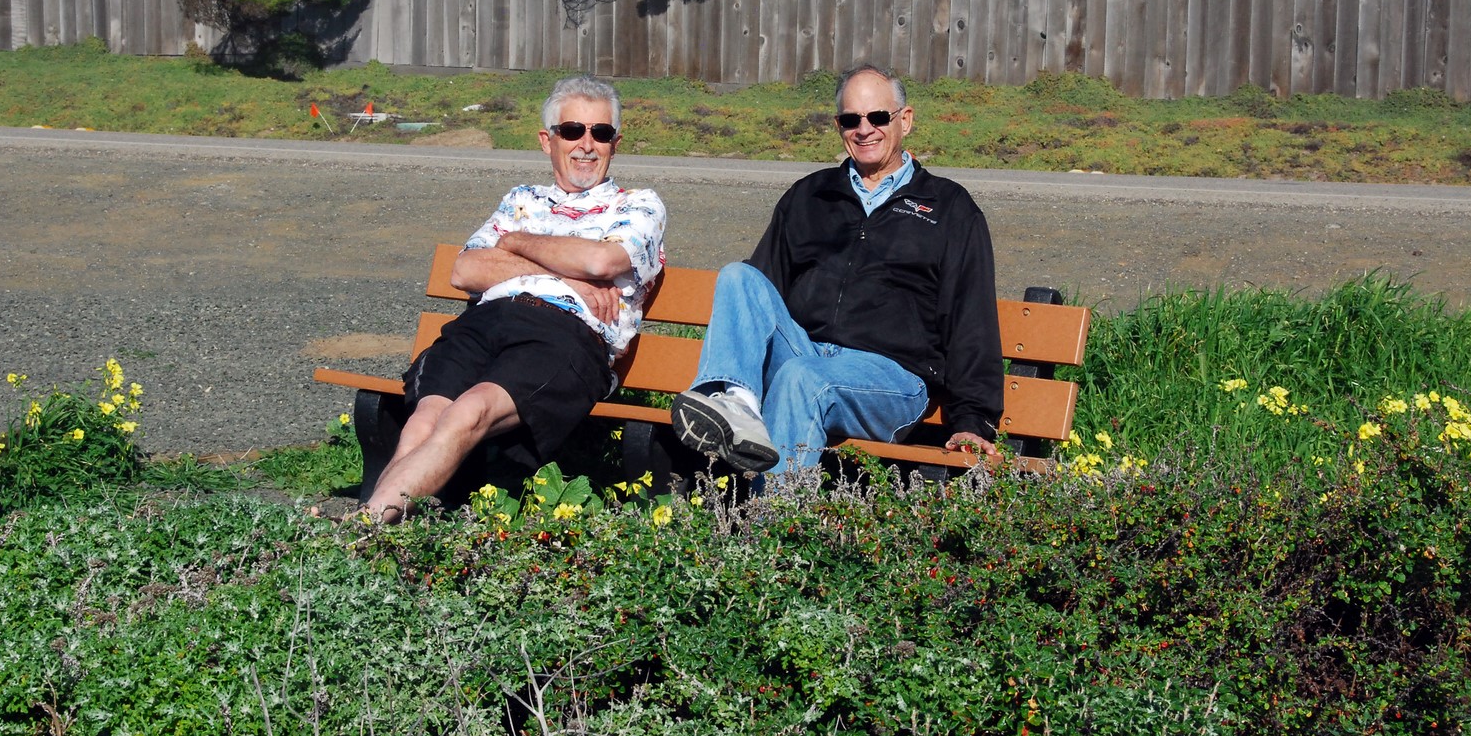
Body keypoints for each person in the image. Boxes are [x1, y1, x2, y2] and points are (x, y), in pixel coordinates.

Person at [670, 64, 1002, 476]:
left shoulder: (949, 208)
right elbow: (763, 300)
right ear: (838, 126)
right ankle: (736, 405)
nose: (865, 129)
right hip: (808, 353)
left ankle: (768, 531)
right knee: (740, 277)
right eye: (851, 119)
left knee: (802, 378)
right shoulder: (810, 195)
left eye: (878, 117)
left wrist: (973, 420)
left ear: (906, 120)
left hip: (894, 378)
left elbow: (971, 316)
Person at [365, 76, 666, 522]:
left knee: (470, 410)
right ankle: (379, 529)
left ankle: (366, 527)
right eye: (572, 130)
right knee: (425, 417)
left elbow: (603, 261)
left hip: (564, 335)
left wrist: (515, 242)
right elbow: (465, 270)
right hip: (485, 322)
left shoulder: (638, 205)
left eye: (600, 133)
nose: (586, 144)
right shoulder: (521, 199)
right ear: (548, 140)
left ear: (615, 143)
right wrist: (567, 277)